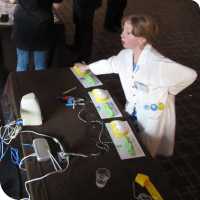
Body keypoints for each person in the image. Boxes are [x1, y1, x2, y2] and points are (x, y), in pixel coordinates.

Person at [74, 15, 197, 157]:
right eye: (123, 31)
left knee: (147, 147)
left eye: (127, 32)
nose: (122, 35)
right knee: (132, 137)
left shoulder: (157, 63)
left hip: (151, 113)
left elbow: (190, 75)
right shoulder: (125, 55)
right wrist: (89, 67)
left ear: (142, 39)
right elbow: (110, 64)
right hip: (133, 109)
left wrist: (170, 92)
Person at [9, 0, 63, 71]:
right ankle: (39, 82)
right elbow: (57, 6)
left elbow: (12, 1)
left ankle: (20, 82)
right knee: (40, 65)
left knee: (22, 64)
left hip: (23, 22)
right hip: (43, 22)